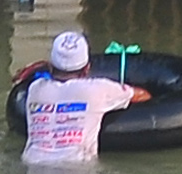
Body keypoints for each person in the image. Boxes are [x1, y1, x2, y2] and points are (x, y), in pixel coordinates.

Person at [19, 31, 149, 166]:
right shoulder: (99, 89)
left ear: (51, 67)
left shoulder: (35, 88)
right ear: (87, 68)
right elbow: (141, 95)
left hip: (33, 164)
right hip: (76, 169)